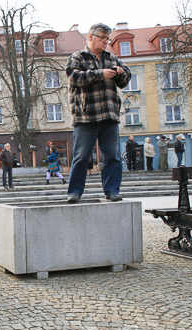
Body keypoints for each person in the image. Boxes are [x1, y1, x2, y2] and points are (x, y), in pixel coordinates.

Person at [65, 23, 131, 202]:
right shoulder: (77, 57)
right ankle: (75, 192)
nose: (106, 42)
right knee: (81, 157)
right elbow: (74, 78)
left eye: (107, 39)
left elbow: (126, 78)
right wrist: (100, 74)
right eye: (102, 38)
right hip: (86, 116)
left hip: (109, 115)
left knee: (112, 157)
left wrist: (120, 72)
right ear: (91, 37)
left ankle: (112, 191)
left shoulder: (111, 57)